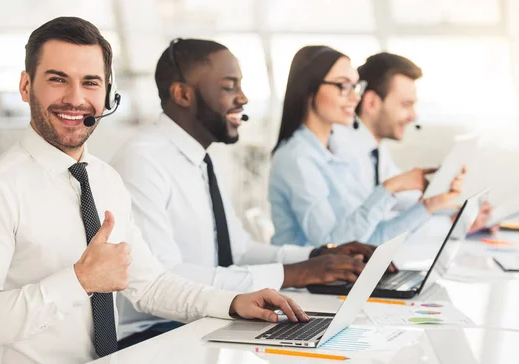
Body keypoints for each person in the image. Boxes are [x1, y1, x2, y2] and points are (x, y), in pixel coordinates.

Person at [0, 18, 308, 364]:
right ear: (26, 86)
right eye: (58, 80)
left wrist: (231, 302)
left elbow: (149, 285)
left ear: (107, 94)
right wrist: (79, 281)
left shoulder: (105, 180)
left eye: (90, 83)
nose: (75, 99)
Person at [109, 38, 387, 349]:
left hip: (208, 319)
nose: (242, 97)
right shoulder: (143, 161)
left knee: (350, 341)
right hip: (156, 333)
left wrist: (319, 256)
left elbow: (238, 251)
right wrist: (293, 274)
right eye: (229, 87)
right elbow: (164, 278)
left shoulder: (204, 158)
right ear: (183, 94)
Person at [269, 46, 466, 247]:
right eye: (343, 86)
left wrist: (429, 206)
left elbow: (364, 240)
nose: (355, 98)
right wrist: (390, 188)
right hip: (310, 275)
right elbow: (333, 246)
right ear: (310, 89)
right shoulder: (297, 158)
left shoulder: (333, 149)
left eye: (355, 87)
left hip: (343, 271)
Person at [343, 52, 493, 234]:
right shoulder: (343, 155)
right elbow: (371, 232)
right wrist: (453, 224)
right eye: (405, 105)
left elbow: (407, 201)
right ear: (372, 102)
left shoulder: (376, 151)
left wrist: (460, 212)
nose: (414, 116)